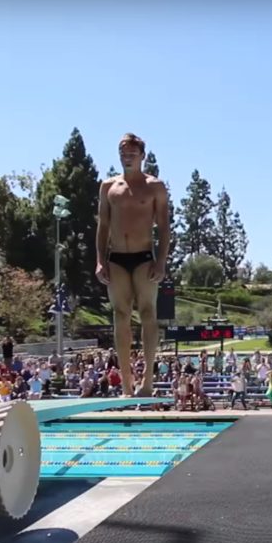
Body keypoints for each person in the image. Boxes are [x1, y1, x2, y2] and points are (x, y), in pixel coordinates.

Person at [95, 133, 171, 397]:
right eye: (123, 152)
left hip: (143, 257)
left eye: (131, 153)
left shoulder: (155, 186)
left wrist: (161, 261)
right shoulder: (108, 187)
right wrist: (99, 260)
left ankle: (147, 381)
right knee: (120, 316)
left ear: (142, 156)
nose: (127, 157)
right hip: (116, 257)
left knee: (148, 313)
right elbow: (103, 225)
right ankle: (126, 384)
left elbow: (164, 227)